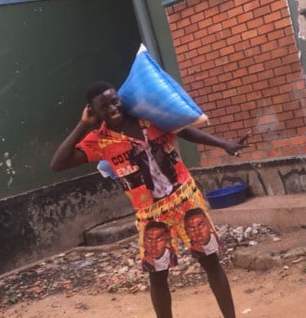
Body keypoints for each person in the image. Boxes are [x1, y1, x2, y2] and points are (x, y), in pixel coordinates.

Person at [50, 81, 250, 318]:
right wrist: (84, 125)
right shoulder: (100, 140)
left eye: (114, 100)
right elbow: (58, 164)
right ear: (93, 111)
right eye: (104, 106)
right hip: (151, 215)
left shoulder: (150, 115)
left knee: (210, 263)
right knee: (158, 276)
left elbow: (183, 129)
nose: (113, 108)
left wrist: (223, 143)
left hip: (185, 200)